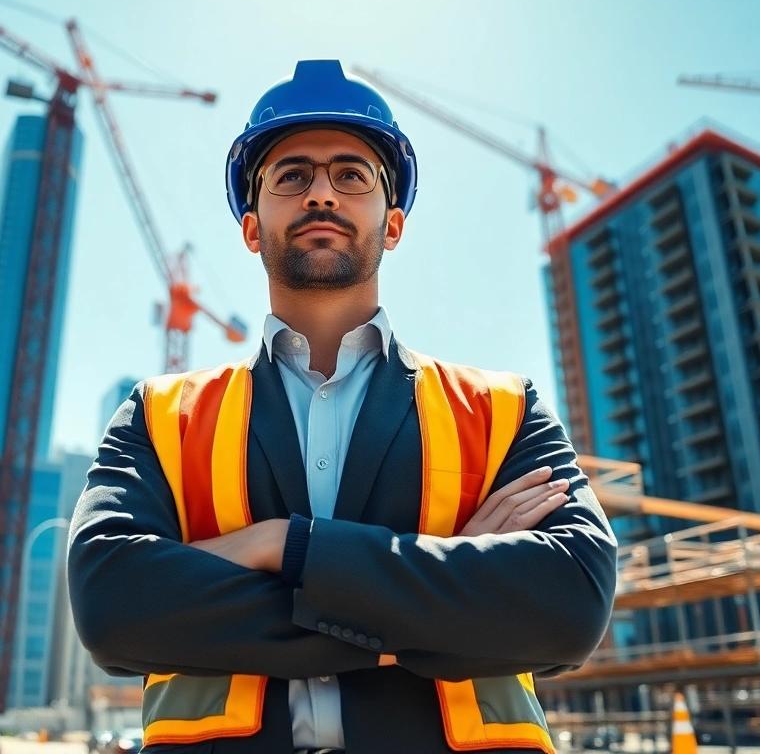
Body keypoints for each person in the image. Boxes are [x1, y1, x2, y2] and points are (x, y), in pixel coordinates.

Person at [68, 59, 617, 754]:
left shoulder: (502, 409)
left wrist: (277, 546)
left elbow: (568, 606)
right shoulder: (160, 415)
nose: (320, 193)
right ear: (250, 224)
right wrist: (440, 589)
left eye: (351, 175)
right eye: (291, 175)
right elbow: (113, 608)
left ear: (392, 225)